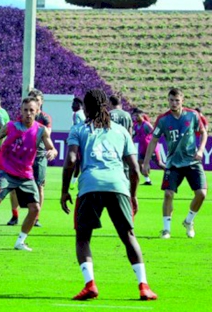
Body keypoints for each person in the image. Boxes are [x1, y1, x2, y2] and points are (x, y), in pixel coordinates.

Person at [60, 89, 157, 301]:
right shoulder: (121, 131)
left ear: (85, 108)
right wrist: (133, 195)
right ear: (106, 106)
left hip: (90, 186)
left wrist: (65, 191)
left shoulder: (79, 129)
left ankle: (90, 285)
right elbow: (134, 169)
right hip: (118, 186)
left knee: (83, 237)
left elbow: (71, 161)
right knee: (128, 236)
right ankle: (144, 286)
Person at [0, 97, 57, 251]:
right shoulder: (11, 126)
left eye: (31, 110)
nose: (28, 113)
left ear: (37, 111)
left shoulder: (41, 130)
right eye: (25, 110)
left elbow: (51, 147)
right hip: (6, 171)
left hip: (26, 174)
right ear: (20, 111)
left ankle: (20, 241)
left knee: (35, 209)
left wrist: (52, 151)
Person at [143, 88, 207, 239]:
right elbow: (153, 140)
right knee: (168, 194)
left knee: (202, 194)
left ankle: (189, 221)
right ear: (168, 100)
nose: (174, 103)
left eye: (177, 100)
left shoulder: (192, 115)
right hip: (173, 163)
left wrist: (201, 149)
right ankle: (166, 230)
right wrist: (146, 163)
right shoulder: (163, 119)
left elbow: (203, 132)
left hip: (192, 161)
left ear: (182, 101)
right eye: (171, 100)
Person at [8, 89, 52, 227]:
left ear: (41, 103)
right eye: (33, 100)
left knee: (39, 186)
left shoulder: (45, 119)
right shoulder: (22, 116)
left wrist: (51, 150)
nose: (35, 104)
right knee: (14, 186)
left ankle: (36, 217)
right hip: (22, 156)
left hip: (38, 156)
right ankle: (14, 215)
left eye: (38, 101)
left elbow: (46, 136)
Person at [132, 109, 166, 185]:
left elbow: (155, 134)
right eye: (134, 116)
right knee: (140, 163)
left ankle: (170, 174)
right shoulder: (136, 125)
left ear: (142, 115)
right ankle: (147, 180)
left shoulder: (146, 125)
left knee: (159, 163)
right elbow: (133, 135)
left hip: (151, 148)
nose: (135, 117)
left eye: (137, 116)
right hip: (143, 148)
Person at [69, 97, 86, 190]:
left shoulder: (77, 114)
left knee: (75, 162)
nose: (72, 106)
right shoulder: (81, 113)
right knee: (78, 162)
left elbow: (79, 127)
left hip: (79, 141)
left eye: (73, 104)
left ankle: (73, 182)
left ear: (79, 105)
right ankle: (74, 182)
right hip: (82, 140)